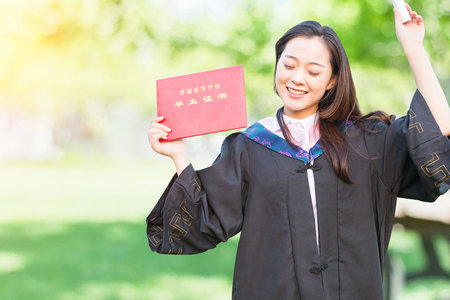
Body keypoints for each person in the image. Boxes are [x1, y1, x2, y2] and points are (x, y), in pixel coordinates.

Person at [147, 4, 450, 300]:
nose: (297, 78)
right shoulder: (250, 147)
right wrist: (179, 156)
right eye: (289, 65)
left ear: (332, 80)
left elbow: (440, 127)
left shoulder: (369, 142)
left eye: (313, 71)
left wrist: (413, 47)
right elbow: (200, 223)